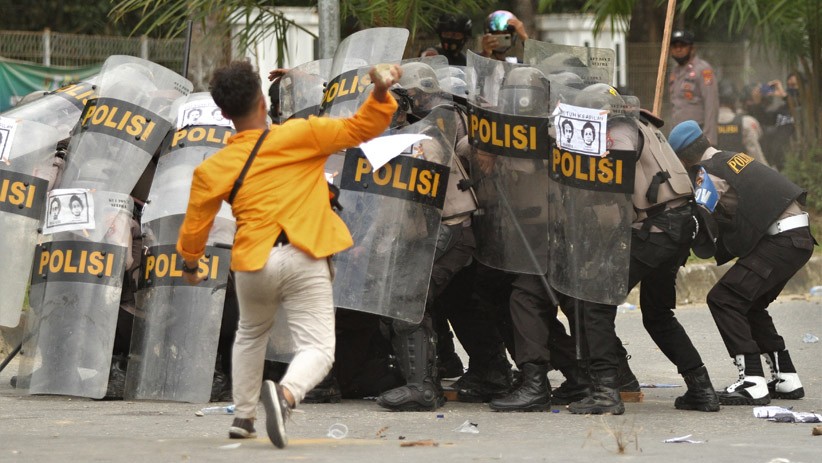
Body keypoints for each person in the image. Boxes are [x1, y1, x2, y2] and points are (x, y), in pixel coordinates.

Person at [176, 60, 400, 448]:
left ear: (225, 115)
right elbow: (361, 128)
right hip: (304, 253)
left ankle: (244, 416)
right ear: (263, 103)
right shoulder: (302, 134)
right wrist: (379, 93)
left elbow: (195, 226)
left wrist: (191, 263)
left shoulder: (214, 167)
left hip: (253, 263)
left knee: (250, 335)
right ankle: (285, 395)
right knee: (317, 348)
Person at [668, 120, 813, 405]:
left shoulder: (707, 172)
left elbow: (700, 217)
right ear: (705, 140)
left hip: (781, 240)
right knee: (750, 303)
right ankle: (786, 377)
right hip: (798, 238)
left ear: (683, 159)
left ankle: (752, 382)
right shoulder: (732, 158)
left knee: (724, 299)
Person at [668, 30, 719, 145]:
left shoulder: (703, 69)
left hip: (697, 134)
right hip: (678, 133)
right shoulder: (674, 71)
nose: (678, 49)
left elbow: (711, 104)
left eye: (682, 45)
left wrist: (709, 137)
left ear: (692, 48)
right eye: (675, 46)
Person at [716, 81, 768, 166]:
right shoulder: (747, 122)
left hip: (714, 171)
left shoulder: (705, 125)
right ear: (735, 100)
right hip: (740, 170)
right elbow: (755, 153)